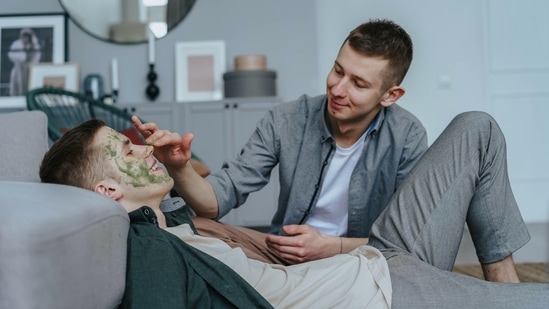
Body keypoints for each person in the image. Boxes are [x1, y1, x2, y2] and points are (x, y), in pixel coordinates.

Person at [39, 113, 548, 308]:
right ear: (106, 191)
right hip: (383, 289)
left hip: (379, 252)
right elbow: (222, 197)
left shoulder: (167, 220)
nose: (142, 147)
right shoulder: (149, 243)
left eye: (358, 82)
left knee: (476, 128)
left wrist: (178, 167)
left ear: (390, 95)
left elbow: (190, 209)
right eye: (126, 152)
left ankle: (496, 290)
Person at [135, 18, 429, 265]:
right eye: (338, 71)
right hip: (282, 252)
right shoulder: (287, 119)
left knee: (399, 261)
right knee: (196, 228)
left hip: (360, 257)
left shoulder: (407, 137)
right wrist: (180, 167)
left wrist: (334, 247)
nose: (338, 89)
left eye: (358, 83)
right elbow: (215, 202)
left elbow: (404, 238)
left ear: (390, 95)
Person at [8, 28, 41, 96]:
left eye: (28, 36)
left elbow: (36, 57)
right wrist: (21, 59)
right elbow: (11, 55)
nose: (25, 38)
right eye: (24, 36)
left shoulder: (34, 46)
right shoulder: (16, 44)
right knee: (17, 86)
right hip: (18, 69)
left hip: (29, 70)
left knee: (29, 85)